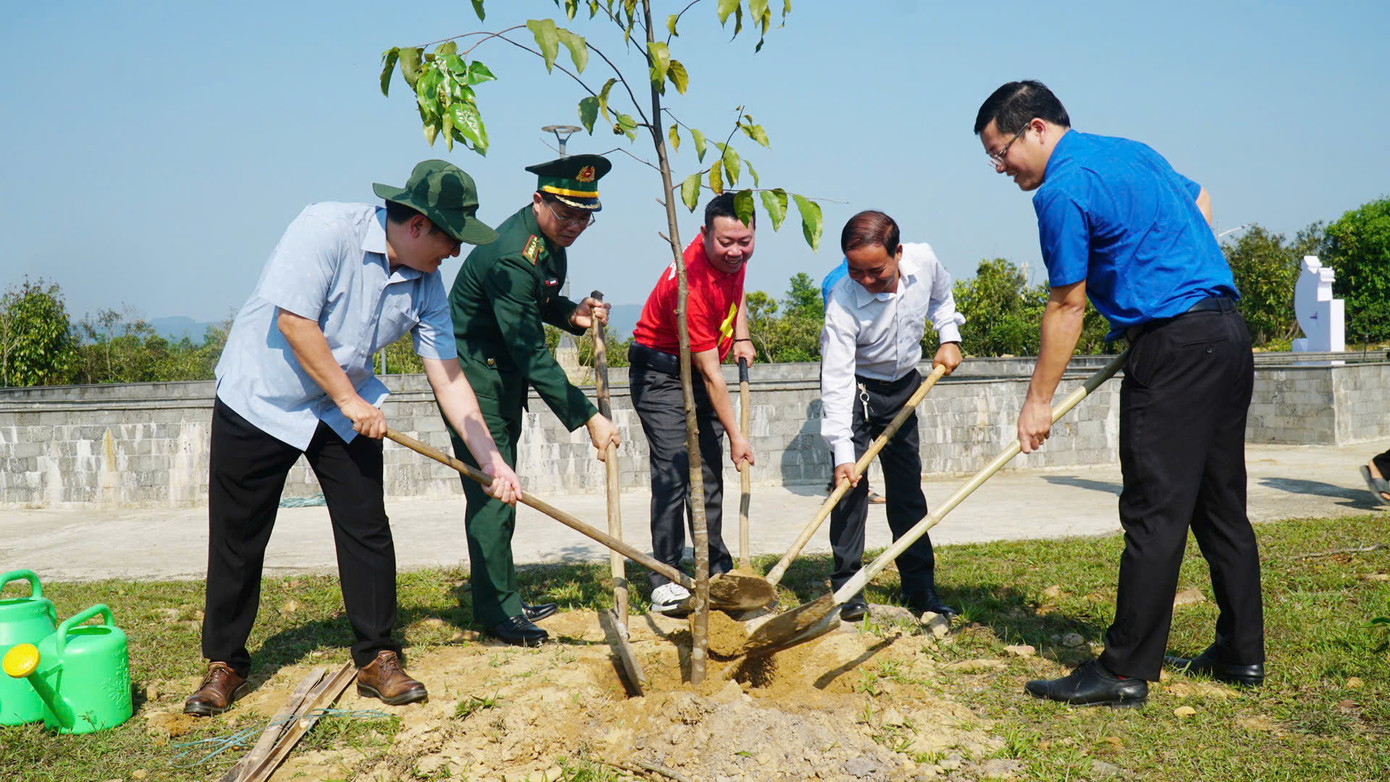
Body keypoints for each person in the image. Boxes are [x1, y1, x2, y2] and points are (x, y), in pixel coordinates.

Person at [185, 160, 522, 717]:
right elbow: (295, 322)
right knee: (237, 536)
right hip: (262, 398)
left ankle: (377, 657)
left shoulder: (427, 285)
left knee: (367, 527)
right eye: (451, 239)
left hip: (343, 408)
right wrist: (349, 400)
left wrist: (491, 461)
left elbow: (449, 377)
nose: (455, 252)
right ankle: (225, 663)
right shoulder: (324, 229)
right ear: (418, 226)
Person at [975, 80, 1265, 706]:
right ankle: (1241, 653)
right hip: (1225, 333)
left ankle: (1124, 669)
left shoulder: (1061, 189)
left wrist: (1038, 401)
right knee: (1220, 505)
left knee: (1153, 511)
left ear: (1036, 129)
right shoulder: (1131, 152)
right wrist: (1171, 269)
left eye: (1001, 152)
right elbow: (1200, 197)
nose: (1001, 167)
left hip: (1174, 347)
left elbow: (1066, 303)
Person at [448, 154, 622, 646]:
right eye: (567, 214)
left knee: (502, 492)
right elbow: (529, 349)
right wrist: (588, 416)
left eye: (585, 217)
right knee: (493, 496)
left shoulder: (549, 243)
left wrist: (572, 315)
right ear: (538, 200)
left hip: (500, 375)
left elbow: (535, 302)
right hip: (475, 382)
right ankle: (499, 614)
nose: (575, 225)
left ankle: (504, 598)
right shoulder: (512, 254)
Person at [820, 210, 963, 622]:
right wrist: (843, 453)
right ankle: (848, 588)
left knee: (907, 491)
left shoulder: (924, 261)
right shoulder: (842, 301)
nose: (865, 280)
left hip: (904, 388)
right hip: (856, 392)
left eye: (876, 271)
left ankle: (920, 588)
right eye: (855, 271)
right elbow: (836, 379)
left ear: (897, 253)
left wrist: (949, 336)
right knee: (849, 490)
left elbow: (942, 298)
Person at [629, 193, 757, 613]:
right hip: (660, 375)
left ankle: (715, 569)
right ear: (704, 235)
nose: (736, 251)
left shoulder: (732, 259)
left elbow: (736, 293)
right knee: (674, 472)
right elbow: (711, 375)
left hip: (698, 367)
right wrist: (738, 435)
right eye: (726, 242)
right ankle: (665, 578)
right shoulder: (692, 286)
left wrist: (740, 334)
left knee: (708, 474)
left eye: (745, 241)